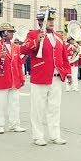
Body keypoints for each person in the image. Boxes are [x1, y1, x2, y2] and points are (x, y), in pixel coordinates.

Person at [20, 9, 72, 146]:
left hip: (56, 77)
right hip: (40, 76)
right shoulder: (33, 34)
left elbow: (64, 57)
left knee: (55, 108)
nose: (51, 22)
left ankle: (55, 135)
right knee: (38, 109)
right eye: (49, 20)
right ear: (40, 22)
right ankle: (38, 136)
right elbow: (23, 49)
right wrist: (36, 40)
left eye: (52, 20)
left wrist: (68, 72)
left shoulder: (59, 37)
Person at [0, 23, 26, 134]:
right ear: (4, 33)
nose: (12, 34)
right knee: (0, 104)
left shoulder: (16, 46)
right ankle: (0, 125)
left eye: (12, 32)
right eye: (10, 32)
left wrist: (21, 78)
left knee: (15, 103)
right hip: (1, 79)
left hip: (14, 79)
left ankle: (15, 125)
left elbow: (19, 64)